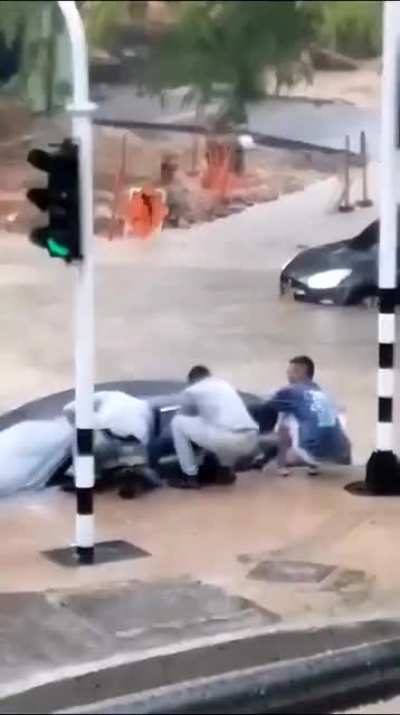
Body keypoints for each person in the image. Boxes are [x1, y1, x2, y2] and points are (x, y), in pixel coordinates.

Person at [258, 356, 351, 476]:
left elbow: (264, 404)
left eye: (290, 372)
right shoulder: (323, 393)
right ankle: (313, 467)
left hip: (312, 453)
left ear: (299, 372)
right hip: (339, 453)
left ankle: (281, 467)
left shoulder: (290, 391)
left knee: (285, 416)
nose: (288, 376)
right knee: (314, 417)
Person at [170, 366, 260, 489]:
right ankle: (225, 472)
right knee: (219, 428)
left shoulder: (192, 390)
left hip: (228, 440)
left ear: (192, 380)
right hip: (252, 438)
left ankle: (190, 476)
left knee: (177, 422)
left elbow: (183, 414)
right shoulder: (225, 385)